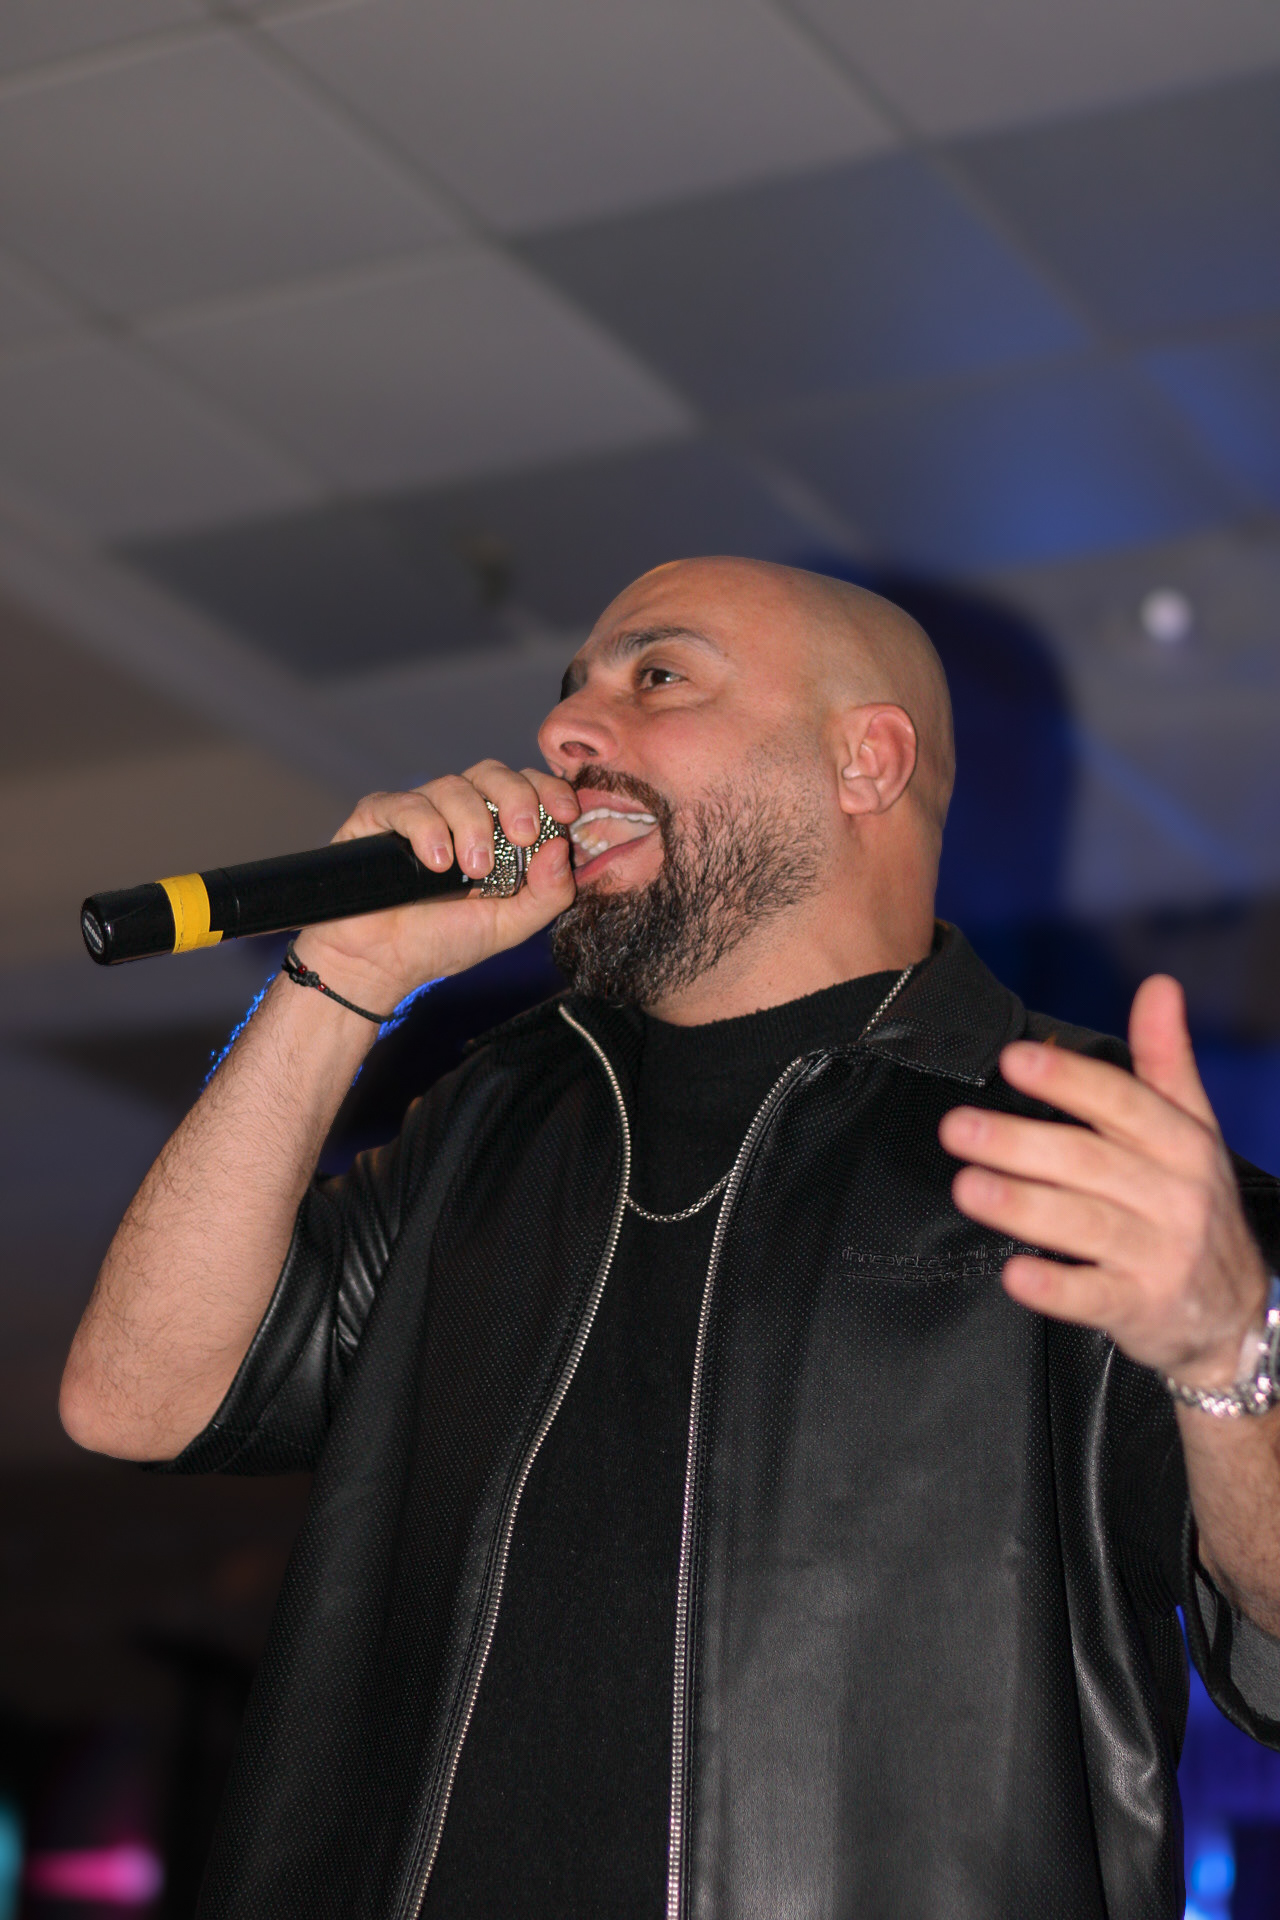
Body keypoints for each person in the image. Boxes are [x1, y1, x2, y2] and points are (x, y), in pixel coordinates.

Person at [61, 558, 1280, 1920]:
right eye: (570, 691)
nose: (565, 732)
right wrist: (343, 977)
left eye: (656, 677)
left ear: (867, 761)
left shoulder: (1098, 1158)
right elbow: (135, 1396)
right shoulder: (488, 1121)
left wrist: (1225, 1353)